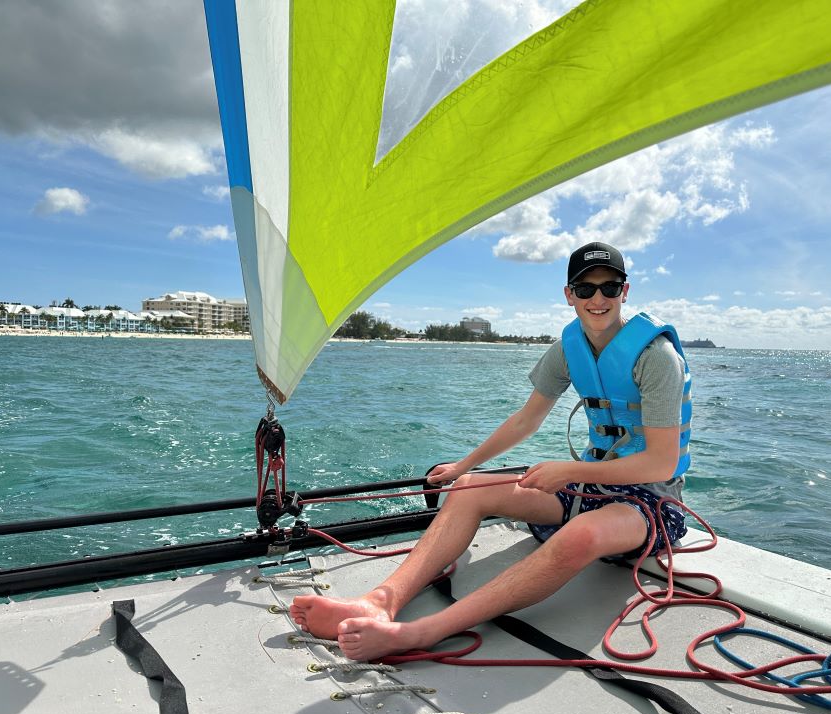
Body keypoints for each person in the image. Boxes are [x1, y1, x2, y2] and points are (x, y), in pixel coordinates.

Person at [289, 241, 692, 661]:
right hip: (592, 488)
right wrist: (464, 465)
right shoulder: (569, 349)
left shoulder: (657, 357)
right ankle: (379, 601)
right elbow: (526, 419)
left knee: (581, 535)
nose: (598, 299)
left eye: (610, 288)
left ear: (625, 292)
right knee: (470, 488)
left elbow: (661, 462)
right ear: (569, 294)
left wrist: (567, 470)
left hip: (652, 503)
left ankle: (423, 631)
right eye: (585, 288)